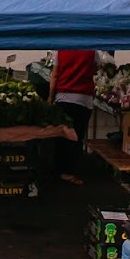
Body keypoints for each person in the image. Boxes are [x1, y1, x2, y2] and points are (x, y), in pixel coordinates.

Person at [53, 50, 96, 185]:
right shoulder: (93, 52)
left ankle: (60, 170)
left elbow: (54, 76)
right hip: (84, 99)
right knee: (77, 136)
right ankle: (70, 171)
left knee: (62, 136)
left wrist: (50, 98)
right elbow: (96, 69)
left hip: (63, 97)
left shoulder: (59, 52)